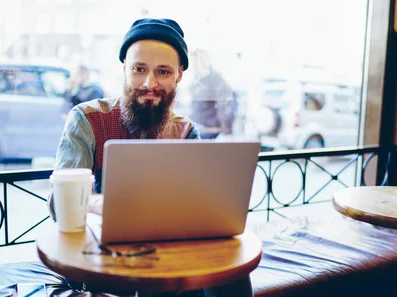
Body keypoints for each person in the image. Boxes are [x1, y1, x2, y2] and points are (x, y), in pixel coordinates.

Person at [48, 18, 252, 297]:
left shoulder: (186, 131)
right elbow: (59, 205)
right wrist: (103, 204)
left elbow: (199, 207)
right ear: (125, 70)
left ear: (179, 75)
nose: (149, 83)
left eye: (163, 72)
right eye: (139, 69)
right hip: (102, 259)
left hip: (166, 255)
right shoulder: (87, 119)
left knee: (231, 271)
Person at [189, 49, 235, 139]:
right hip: (199, 129)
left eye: (199, 60)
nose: (196, 63)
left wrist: (228, 131)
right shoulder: (197, 81)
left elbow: (224, 106)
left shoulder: (216, 80)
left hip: (212, 131)